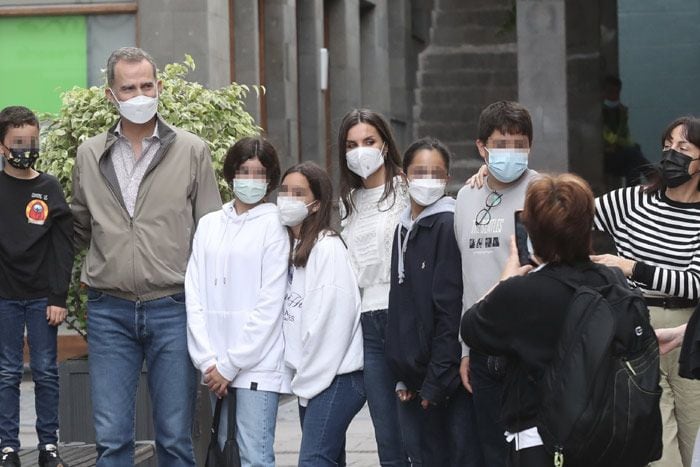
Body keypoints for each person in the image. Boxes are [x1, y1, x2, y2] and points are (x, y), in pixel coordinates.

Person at [71, 47, 222, 466]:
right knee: (111, 439)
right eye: (128, 88)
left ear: (160, 87)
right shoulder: (89, 153)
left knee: (175, 438)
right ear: (110, 95)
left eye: (146, 85)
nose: (140, 95)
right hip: (108, 309)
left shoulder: (192, 150)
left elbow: (210, 234)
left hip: (173, 307)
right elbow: (79, 225)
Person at [462, 173, 623, 465]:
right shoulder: (611, 281)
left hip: (539, 438)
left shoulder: (521, 292)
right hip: (605, 432)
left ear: (532, 231)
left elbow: (471, 327)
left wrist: (506, 278)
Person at [592, 115, 700, 467]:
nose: (671, 155)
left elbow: (694, 282)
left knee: (694, 441)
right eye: (667, 146)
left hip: (689, 331)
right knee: (658, 451)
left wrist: (630, 266)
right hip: (638, 324)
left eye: (682, 148)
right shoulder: (633, 200)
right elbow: (570, 213)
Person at [185, 136, 290, 466]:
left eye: (259, 173)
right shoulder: (209, 224)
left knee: (254, 457)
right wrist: (208, 361)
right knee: (221, 456)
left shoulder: (276, 225)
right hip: (214, 367)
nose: (250, 179)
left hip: (257, 365)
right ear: (231, 173)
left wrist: (230, 365)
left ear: (271, 179)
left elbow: (270, 303)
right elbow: (195, 294)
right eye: (244, 171)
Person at [385, 137, 482, 466]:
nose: (427, 179)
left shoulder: (447, 223)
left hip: (445, 382)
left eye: (436, 172)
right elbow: (401, 305)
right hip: (416, 379)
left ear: (447, 177)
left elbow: (450, 309)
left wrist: (435, 382)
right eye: (419, 171)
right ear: (404, 175)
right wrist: (404, 374)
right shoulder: (403, 227)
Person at [454, 100, 539, 466]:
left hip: (533, 346)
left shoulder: (544, 193)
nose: (510, 152)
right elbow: (465, 276)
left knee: (533, 449)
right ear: (481, 148)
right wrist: (464, 350)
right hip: (483, 347)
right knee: (491, 450)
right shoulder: (465, 196)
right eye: (501, 144)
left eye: (519, 144)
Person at [0, 107, 73, 467]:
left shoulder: (49, 187)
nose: (25, 149)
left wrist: (58, 296)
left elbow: (63, 247)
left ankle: (48, 446)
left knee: (45, 371)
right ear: (2, 147)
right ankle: (8, 447)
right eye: (17, 143)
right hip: (4, 299)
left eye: (31, 141)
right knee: (6, 372)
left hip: (44, 297)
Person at [279, 161, 365, 466]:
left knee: (314, 460)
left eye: (298, 192)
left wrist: (307, 382)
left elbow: (331, 325)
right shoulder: (295, 248)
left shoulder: (326, 249)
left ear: (315, 204)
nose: (288, 198)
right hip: (315, 379)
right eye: (285, 190)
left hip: (336, 377)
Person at [338, 108, 409, 466]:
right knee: (387, 438)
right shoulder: (346, 203)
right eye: (352, 145)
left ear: (384, 144)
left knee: (419, 432)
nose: (360, 151)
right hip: (368, 326)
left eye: (369, 141)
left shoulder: (409, 189)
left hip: (406, 318)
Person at [602, 75, 651, 186]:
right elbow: (611, 140)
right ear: (603, 93)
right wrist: (623, 121)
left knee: (634, 160)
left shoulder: (619, 112)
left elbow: (627, 139)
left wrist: (623, 118)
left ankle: (633, 196)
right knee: (634, 153)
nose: (614, 96)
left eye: (616, 93)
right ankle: (654, 177)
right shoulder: (600, 114)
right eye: (610, 92)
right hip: (605, 159)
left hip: (619, 155)